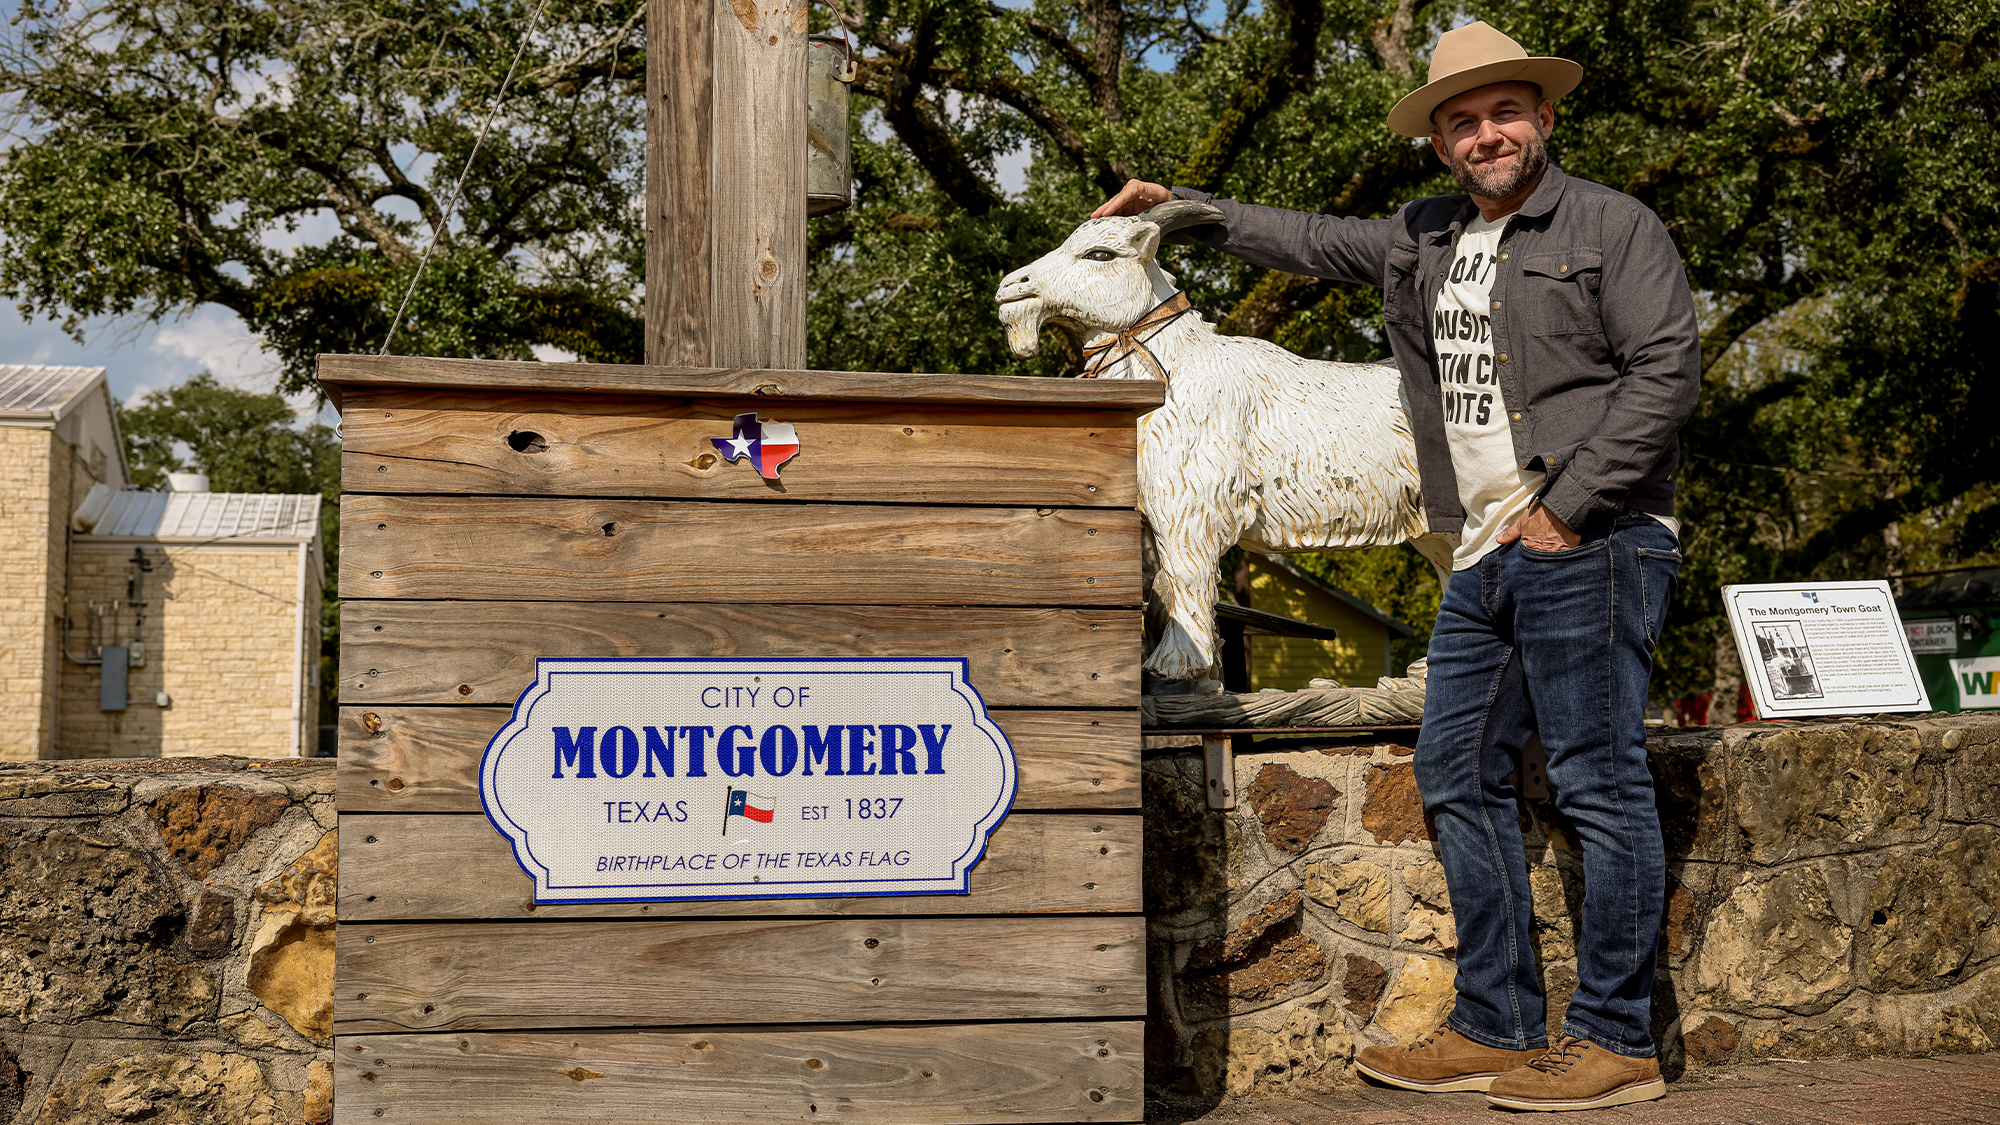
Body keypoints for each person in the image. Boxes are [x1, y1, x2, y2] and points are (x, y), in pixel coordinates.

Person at [1095, 20, 1699, 1114]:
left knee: (1597, 785)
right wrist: (1181, 206)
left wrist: (1563, 512)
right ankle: (1495, 1023)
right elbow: (1307, 238)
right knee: (1455, 771)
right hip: (1481, 550)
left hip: (1594, 540)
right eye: (1461, 122)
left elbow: (1666, 373)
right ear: (1438, 142)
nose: (1485, 134)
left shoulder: (1614, 226)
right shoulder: (1424, 235)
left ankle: (1616, 1040)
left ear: (1543, 116)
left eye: (1503, 112)